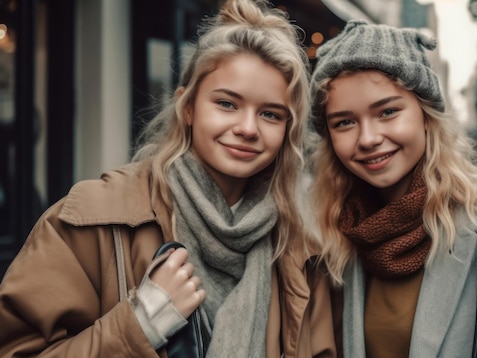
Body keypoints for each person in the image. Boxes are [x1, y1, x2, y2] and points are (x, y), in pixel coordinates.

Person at [0, 1, 336, 357]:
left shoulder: (300, 250)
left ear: (287, 130)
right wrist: (139, 325)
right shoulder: (91, 220)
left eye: (270, 114)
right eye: (227, 104)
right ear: (187, 107)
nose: (247, 128)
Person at [308, 20, 477, 357]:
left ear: (426, 116)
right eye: (345, 122)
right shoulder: (338, 245)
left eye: (388, 112)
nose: (367, 138)